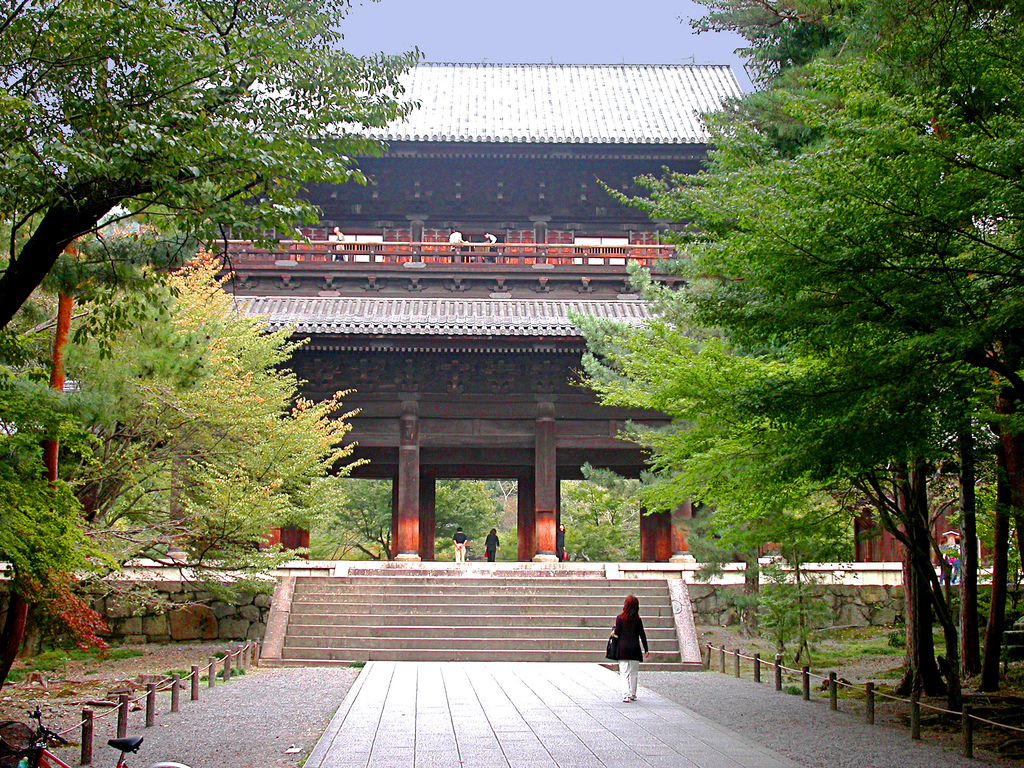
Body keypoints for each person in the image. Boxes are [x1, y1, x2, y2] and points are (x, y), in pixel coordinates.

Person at [611, 594, 649, 702]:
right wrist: (646, 649)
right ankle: (633, 693)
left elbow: (617, 632)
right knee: (634, 672)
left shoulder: (619, 618)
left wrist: (613, 631)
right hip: (635, 648)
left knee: (624, 672)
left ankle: (625, 695)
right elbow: (642, 634)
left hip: (623, 648)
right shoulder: (638, 620)